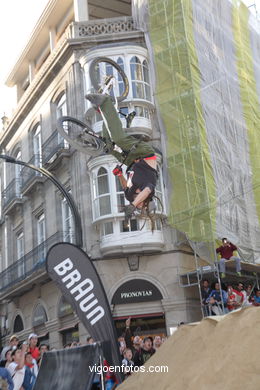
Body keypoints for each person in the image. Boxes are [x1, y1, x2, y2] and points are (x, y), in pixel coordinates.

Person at [86, 94, 158, 221]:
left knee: (108, 146)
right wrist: (132, 206)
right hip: (144, 154)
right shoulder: (149, 189)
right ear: (146, 201)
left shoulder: (130, 196)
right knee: (119, 139)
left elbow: (125, 187)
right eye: (142, 205)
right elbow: (146, 191)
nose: (139, 205)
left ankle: (104, 111)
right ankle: (105, 101)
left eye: (139, 207)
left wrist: (119, 175)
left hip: (131, 161)